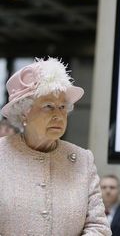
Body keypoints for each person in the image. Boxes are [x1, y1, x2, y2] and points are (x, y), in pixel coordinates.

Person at [0, 57, 111, 235]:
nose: (59, 115)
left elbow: (98, 226)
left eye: (62, 107)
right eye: (48, 106)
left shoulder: (82, 159)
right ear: (23, 113)